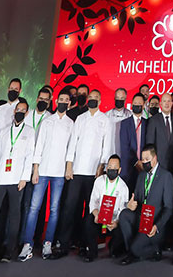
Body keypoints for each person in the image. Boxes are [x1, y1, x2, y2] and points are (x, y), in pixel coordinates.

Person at [0, 100, 36, 264]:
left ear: (27, 113)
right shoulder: (3, 132)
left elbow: (29, 156)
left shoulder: (30, 132)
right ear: (14, 111)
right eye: (18, 109)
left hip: (17, 180)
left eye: (23, 110)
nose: (20, 112)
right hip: (0, 179)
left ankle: (8, 252)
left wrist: (24, 178)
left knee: (14, 216)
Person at [55, 89, 111, 258]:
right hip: (77, 170)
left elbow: (107, 146)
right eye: (90, 98)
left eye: (95, 98)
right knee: (70, 207)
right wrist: (69, 165)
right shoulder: (80, 119)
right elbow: (73, 142)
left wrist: (101, 167)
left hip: (94, 172)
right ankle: (64, 244)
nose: (92, 100)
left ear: (100, 101)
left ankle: (86, 244)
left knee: (90, 209)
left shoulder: (105, 120)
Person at [20, 91, 74, 261]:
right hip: (42, 171)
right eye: (61, 99)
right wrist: (35, 169)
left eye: (66, 100)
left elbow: (71, 148)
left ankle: (48, 243)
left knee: (54, 209)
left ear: (69, 103)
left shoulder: (71, 123)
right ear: (56, 101)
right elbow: (39, 146)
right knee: (34, 208)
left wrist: (68, 168)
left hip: (59, 173)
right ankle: (27, 244)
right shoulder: (47, 121)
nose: (63, 102)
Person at [119, 145, 173, 264]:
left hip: (154, 224)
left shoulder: (166, 176)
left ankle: (154, 250)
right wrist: (130, 204)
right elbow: (136, 200)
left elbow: (168, 208)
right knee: (124, 214)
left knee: (136, 248)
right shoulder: (141, 175)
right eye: (142, 159)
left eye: (147, 159)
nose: (144, 162)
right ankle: (132, 251)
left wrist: (157, 226)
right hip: (141, 219)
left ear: (155, 158)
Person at [19, 88, 53, 249]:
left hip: (41, 166)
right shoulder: (27, 115)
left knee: (36, 205)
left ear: (50, 102)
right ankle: (20, 238)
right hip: (22, 163)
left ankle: (35, 237)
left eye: (46, 100)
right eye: (41, 98)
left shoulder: (51, 119)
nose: (42, 101)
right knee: (23, 204)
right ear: (37, 98)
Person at [82, 155, 129, 261]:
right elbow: (93, 202)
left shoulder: (123, 187)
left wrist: (116, 222)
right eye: (110, 167)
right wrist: (96, 214)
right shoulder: (99, 181)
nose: (111, 170)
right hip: (99, 218)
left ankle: (114, 247)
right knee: (88, 220)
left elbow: (122, 209)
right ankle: (92, 252)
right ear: (106, 168)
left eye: (114, 168)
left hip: (113, 221)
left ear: (119, 170)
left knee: (123, 226)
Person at [145, 93, 173, 171]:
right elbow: (150, 143)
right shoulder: (153, 120)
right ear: (160, 104)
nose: (167, 104)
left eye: (169, 101)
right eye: (164, 101)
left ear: (172, 103)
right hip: (159, 163)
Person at [119, 93, 148, 190]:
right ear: (131, 105)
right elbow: (124, 147)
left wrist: (143, 163)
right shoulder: (124, 123)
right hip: (128, 167)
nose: (137, 105)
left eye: (139, 104)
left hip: (144, 167)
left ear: (143, 106)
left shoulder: (148, 123)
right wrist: (136, 162)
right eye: (135, 103)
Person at [106, 88, 133, 158]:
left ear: (125, 100)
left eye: (122, 98)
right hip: (110, 150)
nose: (119, 100)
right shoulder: (106, 116)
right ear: (114, 98)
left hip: (125, 151)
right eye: (117, 98)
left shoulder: (130, 115)